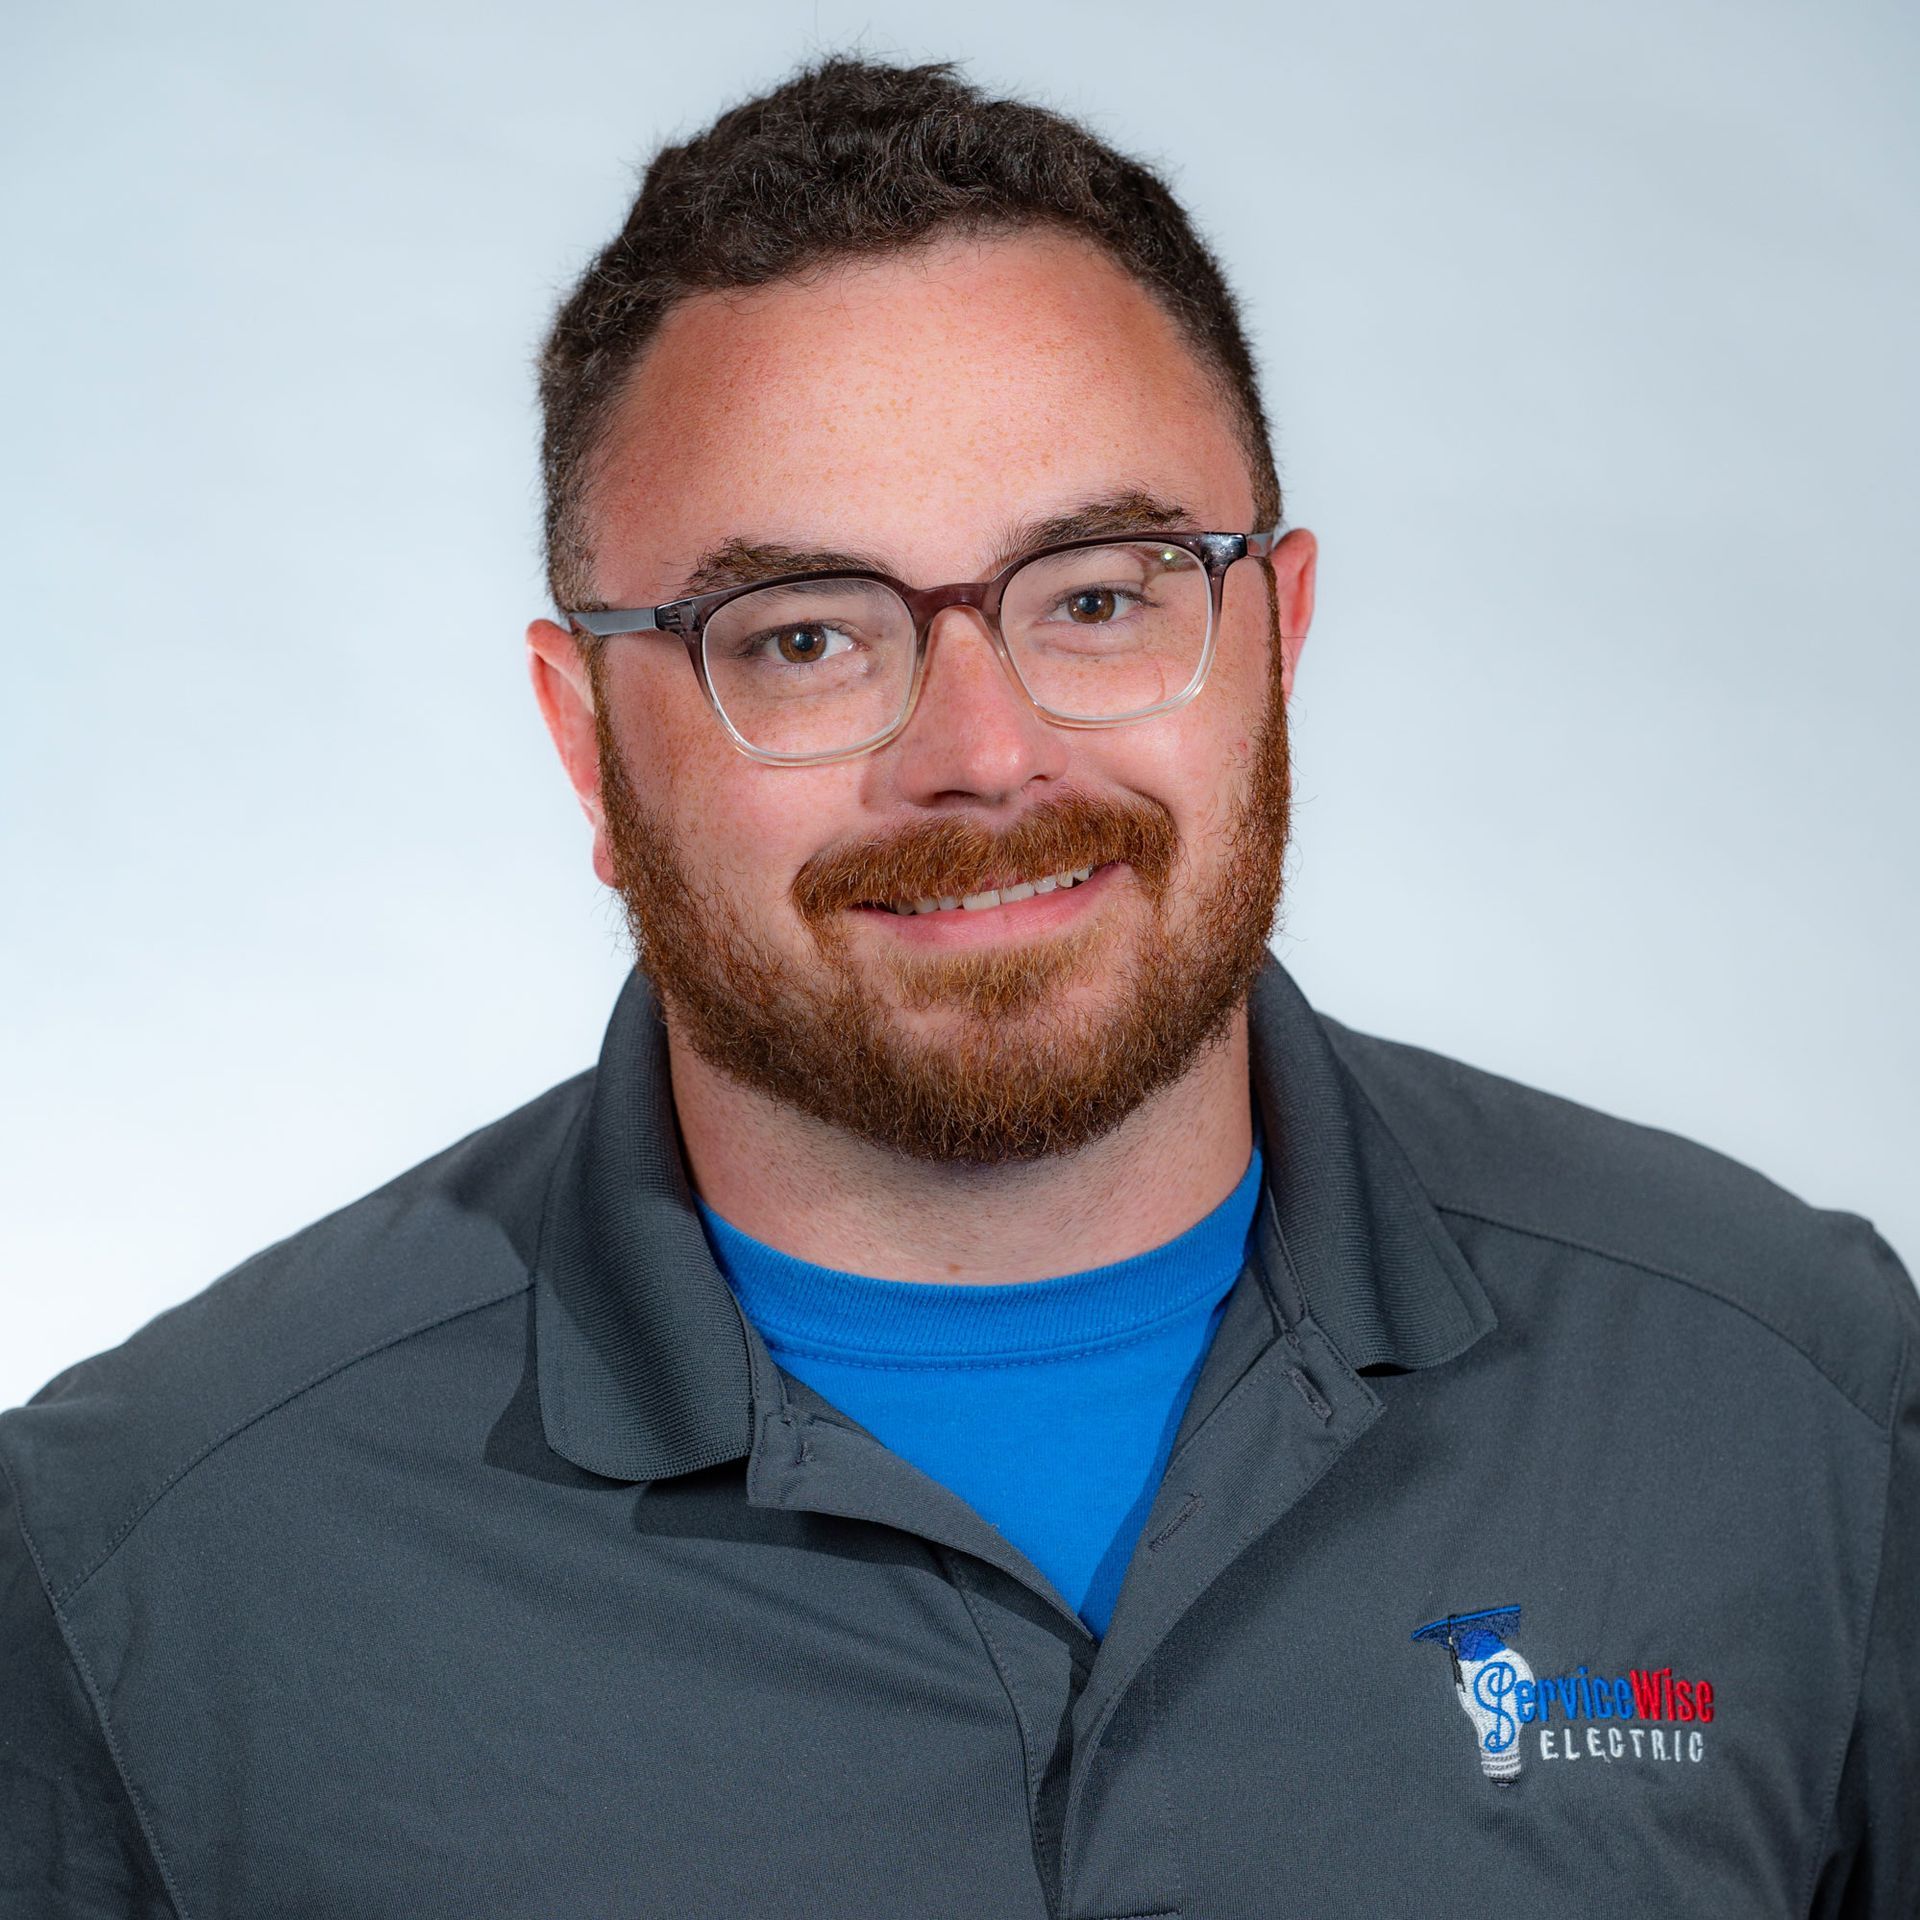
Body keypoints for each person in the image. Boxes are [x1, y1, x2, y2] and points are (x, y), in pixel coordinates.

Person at [1, 55, 1912, 1920]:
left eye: (1099, 593)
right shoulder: (142, 1580)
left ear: (1278, 634)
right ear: (588, 742)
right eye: (810, 636)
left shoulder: (1790, 1401)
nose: (984, 756)